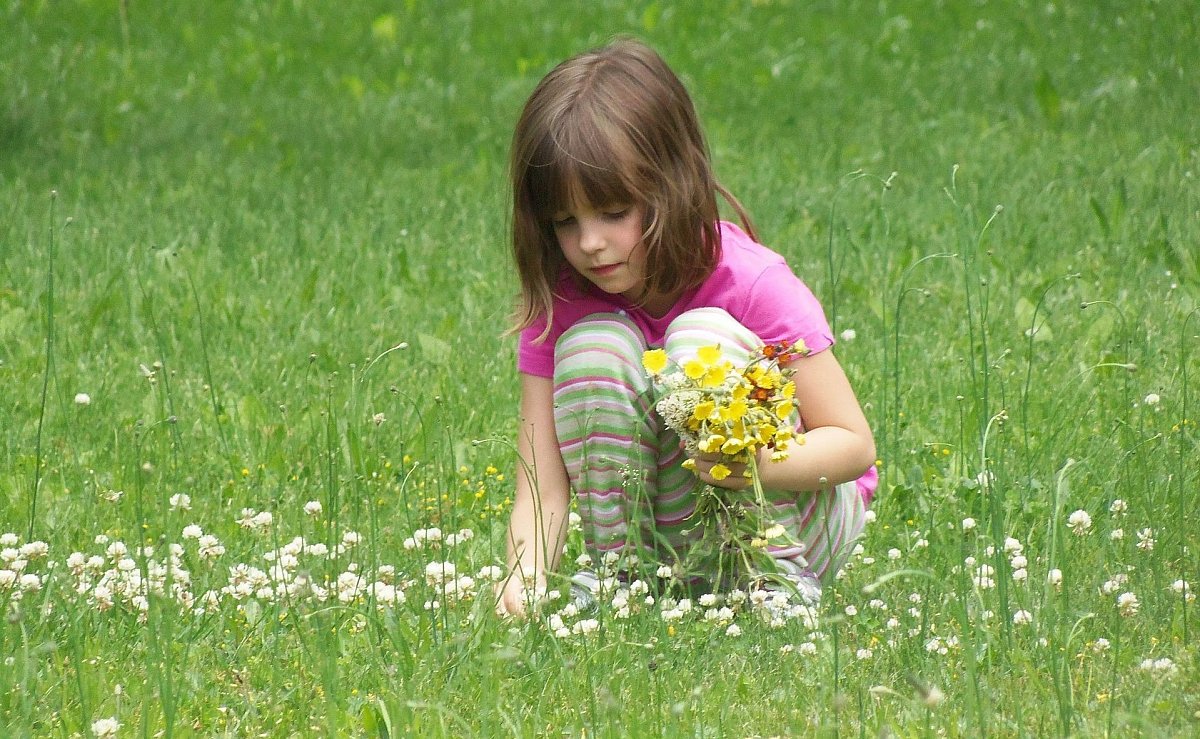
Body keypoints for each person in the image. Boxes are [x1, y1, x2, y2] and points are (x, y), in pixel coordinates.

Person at [496, 38, 877, 617]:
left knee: (701, 338)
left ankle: (773, 582)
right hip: (675, 539)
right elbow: (542, 483)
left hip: (798, 515)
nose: (590, 243)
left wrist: (751, 464)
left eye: (614, 213)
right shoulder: (563, 303)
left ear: (670, 183)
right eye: (564, 222)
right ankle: (622, 578)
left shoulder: (749, 282)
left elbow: (853, 446)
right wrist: (521, 581)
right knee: (594, 348)